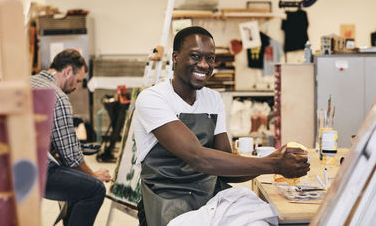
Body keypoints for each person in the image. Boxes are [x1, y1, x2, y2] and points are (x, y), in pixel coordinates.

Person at [133, 26, 310, 226]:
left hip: (210, 199)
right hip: (167, 204)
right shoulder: (153, 99)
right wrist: (274, 164)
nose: (204, 65)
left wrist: (273, 160)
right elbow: (198, 157)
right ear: (175, 57)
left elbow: (224, 170)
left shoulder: (213, 99)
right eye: (195, 56)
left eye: (210, 58)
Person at [31, 49, 111, 226]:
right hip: (36, 171)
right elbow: (71, 156)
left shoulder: (29, 81)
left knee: (78, 182)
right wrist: (94, 175)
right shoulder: (57, 96)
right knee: (94, 189)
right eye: (78, 80)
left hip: (10, 166)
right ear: (67, 71)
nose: (76, 86)